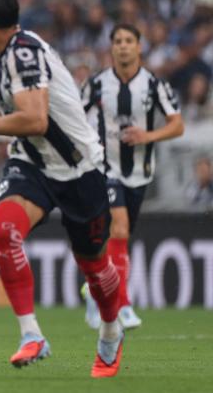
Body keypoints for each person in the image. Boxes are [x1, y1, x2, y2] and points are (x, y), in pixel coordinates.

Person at [0, 0, 122, 378]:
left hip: (78, 168)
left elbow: (36, 118)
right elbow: (14, 108)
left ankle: (110, 330)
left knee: (95, 266)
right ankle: (31, 335)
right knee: (5, 231)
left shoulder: (24, 53)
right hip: (32, 163)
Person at [81, 24, 184, 330]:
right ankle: (122, 305)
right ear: (111, 47)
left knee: (119, 240)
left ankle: (94, 288)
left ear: (139, 47)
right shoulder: (97, 84)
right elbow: (73, 113)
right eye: (117, 41)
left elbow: (177, 125)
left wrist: (148, 135)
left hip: (140, 173)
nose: (123, 46)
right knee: (121, 228)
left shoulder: (154, 85)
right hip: (105, 168)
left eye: (129, 41)